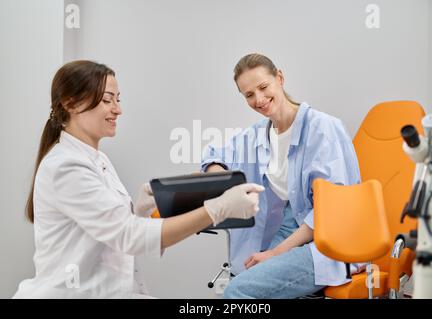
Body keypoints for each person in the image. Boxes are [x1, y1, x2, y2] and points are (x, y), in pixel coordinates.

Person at [13, 60, 264, 299]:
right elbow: (128, 236)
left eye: (118, 100)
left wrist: (144, 212)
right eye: (107, 100)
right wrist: (217, 210)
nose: (118, 109)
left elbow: (115, 231)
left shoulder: (97, 159)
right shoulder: (66, 166)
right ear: (70, 103)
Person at [201, 53, 362, 298]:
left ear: (280, 77)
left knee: (239, 290)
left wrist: (276, 254)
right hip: (291, 228)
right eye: (249, 95)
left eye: (263, 87)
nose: (259, 99)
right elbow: (214, 154)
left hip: (328, 241)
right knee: (243, 277)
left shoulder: (322, 128)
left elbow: (329, 213)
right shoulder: (258, 134)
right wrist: (219, 175)